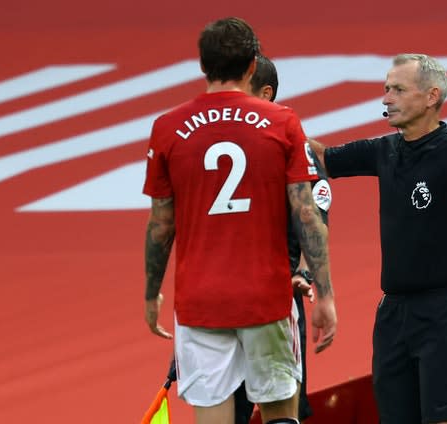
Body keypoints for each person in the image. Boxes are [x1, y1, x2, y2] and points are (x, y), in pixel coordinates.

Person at [309, 53, 447, 424]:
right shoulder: (383, 150)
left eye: (397, 89)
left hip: (445, 310)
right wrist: (274, 128)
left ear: (431, 96)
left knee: (446, 419)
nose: (386, 98)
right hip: (393, 311)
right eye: (386, 89)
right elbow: (322, 158)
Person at [142, 17, 336, 424]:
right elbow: (307, 215)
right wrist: (326, 294)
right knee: (282, 411)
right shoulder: (283, 123)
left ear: (203, 66)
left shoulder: (167, 127)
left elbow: (161, 225)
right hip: (266, 295)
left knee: (214, 416)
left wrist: (151, 294)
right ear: (252, 66)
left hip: (200, 301)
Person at [233, 54, 332, 424]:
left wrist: (306, 277)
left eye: (237, 88)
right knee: (227, 411)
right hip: (222, 303)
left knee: (284, 411)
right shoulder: (217, 149)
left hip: (278, 301)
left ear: (266, 92)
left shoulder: (298, 149)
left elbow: (315, 221)